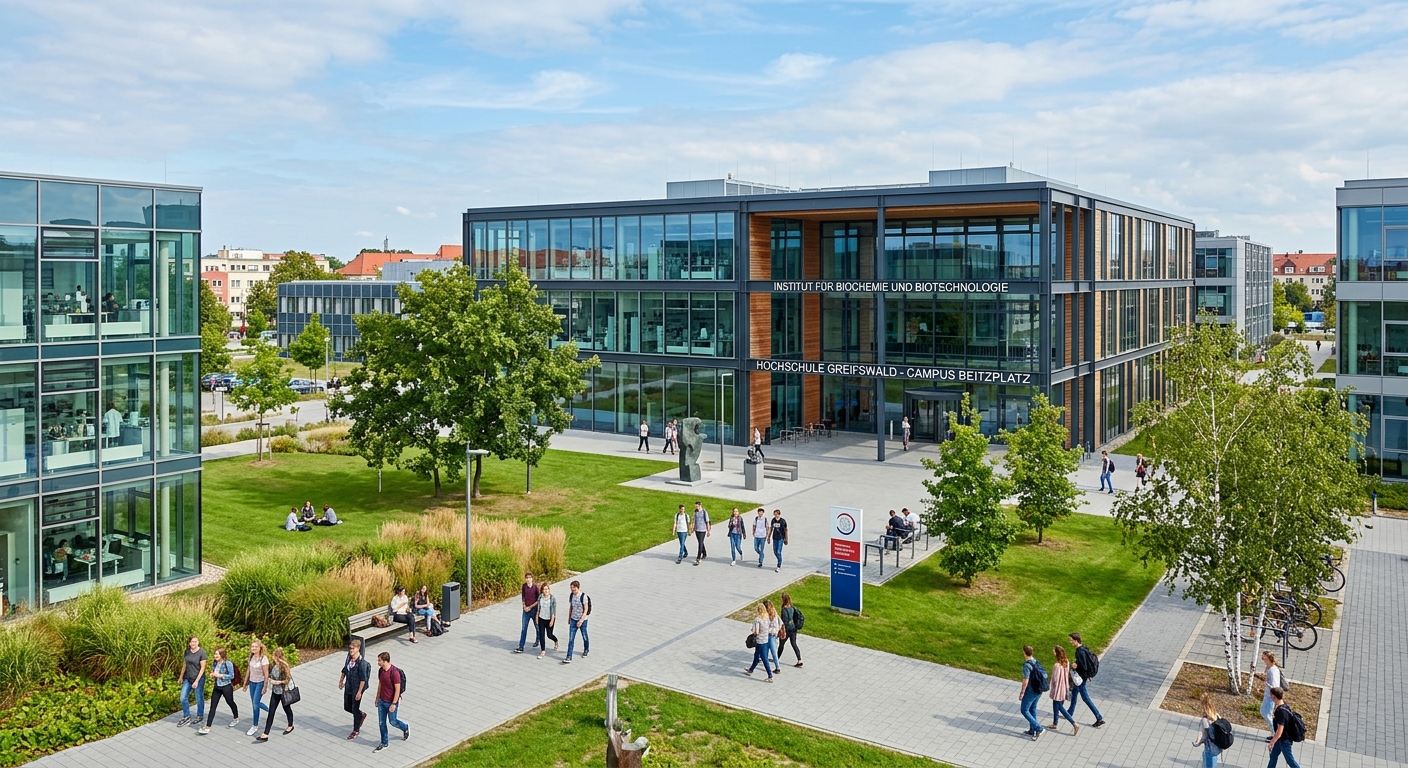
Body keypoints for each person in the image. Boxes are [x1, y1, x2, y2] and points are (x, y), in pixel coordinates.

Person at [1068, 633, 1107, 728]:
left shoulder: (1079, 652)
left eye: (1071, 640)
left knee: (1086, 698)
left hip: (1081, 679)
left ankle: (1099, 718)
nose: (1070, 642)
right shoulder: (1084, 648)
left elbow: (1083, 666)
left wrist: (1075, 666)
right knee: (1074, 693)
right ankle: (1069, 712)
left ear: (1076, 641)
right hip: (1083, 677)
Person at [373, 651, 409, 752]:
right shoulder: (381, 671)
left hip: (391, 702)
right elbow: (380, 685)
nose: (378, 662)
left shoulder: (394, 673)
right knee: (381, 723)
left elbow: (397, 689)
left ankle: (405, 727)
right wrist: (377, 698)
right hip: (381, 701)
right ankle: (384, 742)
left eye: (379, 661)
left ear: (385, 661)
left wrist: (393, 703)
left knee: (393, 721)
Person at [198, 647, 239, 734]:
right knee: (213, 706)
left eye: (217, 654)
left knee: (230, 702)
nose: (215, 656)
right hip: (217, 687)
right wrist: (212, 674)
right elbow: (214, 671)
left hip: (226, 687)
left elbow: (231, 676)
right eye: (215, 654)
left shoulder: (228, 663)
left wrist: (220, 675)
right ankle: (208, 727)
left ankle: (236, 718)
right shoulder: (215, 663)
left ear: (222, 655)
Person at [257, 647, 294, 740]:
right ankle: (266, 733)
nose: (272, 657)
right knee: (271, 712)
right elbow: (269, 675)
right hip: (275, 692)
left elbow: (287, 679)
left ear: (277, 656)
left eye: (274, 656)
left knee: (287, 708)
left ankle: (290, 725)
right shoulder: (273, 665)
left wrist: (277, 682)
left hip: (283, 692)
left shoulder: (284, 666)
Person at [338, 639, 371, 740]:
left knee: (355, 709)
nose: (351, 650)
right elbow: (344, 670)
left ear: (358, 649)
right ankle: (361, 715)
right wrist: (341, 681)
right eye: (350, 648)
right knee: (347, 707)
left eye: (353, 648)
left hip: (356, 689)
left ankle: (356, 730)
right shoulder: (349, 659)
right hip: (348, 687)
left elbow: (363, 679)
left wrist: (360, 692)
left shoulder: (361, 663)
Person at [177, 636, 208, 727]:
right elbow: (185, 664)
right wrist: (181, 676)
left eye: (195, 641)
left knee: (199, 698)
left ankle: (199, 715)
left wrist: (196, 681)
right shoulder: (187, 651)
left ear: (198, 642)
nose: (193, 643)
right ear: (189, 643)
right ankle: (186, 716)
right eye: (192, 642)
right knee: (183, 697)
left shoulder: (202, 652)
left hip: (198, 678)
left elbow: (202, 668)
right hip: (188, 678)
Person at [1267, 687, 1301, 768]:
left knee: (1290, 761)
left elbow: (1280, 731)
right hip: (1280, 740)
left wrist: (1272, 742)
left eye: (1271, 695)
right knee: (1273, 756)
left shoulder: (1281, 712)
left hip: (1284, 740)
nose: (1270, 696)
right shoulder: (1284, 706)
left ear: (1274, 696)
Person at [1018, 645, 1045, 740]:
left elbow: (1026, 680)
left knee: (1024, 710)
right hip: (1039, 689)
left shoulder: (1027, 665)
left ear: (1024, 653)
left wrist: (1022, 692)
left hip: (1031, 690)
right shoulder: (1036, 662)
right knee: (1032, 708)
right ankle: (1032, 730)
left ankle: (1039, 728)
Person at [1049, 645, 1077, 734]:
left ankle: (1074, 723)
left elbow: (1055, 680)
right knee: (1056, 704)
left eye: (1054, 651)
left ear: (1057, 653)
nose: (1052, 652)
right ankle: (1055, 723)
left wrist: (1052, 687)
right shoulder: (1067, 662)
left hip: (1058, 689)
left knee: (1059, 707)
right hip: (1064, 687)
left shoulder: (1057, 666)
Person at [245, 639, 270, 736]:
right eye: (252, 646)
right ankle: (256, 724)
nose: (254, 648)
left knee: (255, 703)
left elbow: (266, 674)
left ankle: (255, 725)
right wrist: (245, 683)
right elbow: (248, 670)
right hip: (252, 683)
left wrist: (265, 686)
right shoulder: (251, 657)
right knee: (254, 704)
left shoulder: (264, 659)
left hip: (260, 683)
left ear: (260, 648)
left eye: (256, 647)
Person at [744, 603, 775, 682]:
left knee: (764, 658)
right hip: (765, 640)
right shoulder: (766, 618)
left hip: (760, 641)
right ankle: (751, 670)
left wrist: (753, 632)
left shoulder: (757, 620)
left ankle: (770, 676)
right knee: (756, 656)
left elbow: (756, 632)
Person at [1192, 692, 1223, 767]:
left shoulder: (1205, 720)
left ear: (1203, 706)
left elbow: (1209, 735)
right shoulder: (1217, 715)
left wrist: (1198, 742)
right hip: (1217, 748)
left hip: (1210, 750)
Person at [563, 580, 591, 664]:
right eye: (571, 588)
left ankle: (586, 649)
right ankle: (569, 656)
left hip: (582, 620)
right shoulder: (571, 596)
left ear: (578, 588)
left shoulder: (583, 597)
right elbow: (571, 607)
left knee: (584, 636)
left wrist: (581, 621)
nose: (572, 590)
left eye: (574, 588)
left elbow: (586, 609)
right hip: (573, 619)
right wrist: (569, 618)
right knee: (571, 639)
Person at [514, 572, 540, 653]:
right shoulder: (524, 586)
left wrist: (530, 607)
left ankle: (538, 639)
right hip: (526, 611)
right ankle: (521, 646)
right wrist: (524, 606)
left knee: (537, 627)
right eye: (526, 578)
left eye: (529, 578)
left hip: (534, 610)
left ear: (532, 578)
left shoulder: (535, 587)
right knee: (524, 628)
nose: (528, 579)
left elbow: (538, 600)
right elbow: (523, 597)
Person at [1260, 650, 1284, 734]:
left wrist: (1265, 682)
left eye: (1264, 658)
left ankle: (1274, 732)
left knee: (1266, 714)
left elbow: (1274, 685)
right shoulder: (1271, 668)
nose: (1263, 660)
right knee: (1264, 712)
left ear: (1269, 659)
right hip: (1269, 694)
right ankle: (1274, 731)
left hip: (1270, 696)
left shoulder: (1272, 671)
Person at [779, 592, 803, 667]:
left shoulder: (784, 609)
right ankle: (799, 659)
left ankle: (777, 658)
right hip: (793, 629)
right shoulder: (792, 608)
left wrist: (782, 630)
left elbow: (784, 621)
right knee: (794, 644)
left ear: (783, 600)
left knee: (781, 644)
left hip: (787, 630)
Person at [535, 582, 558, 659]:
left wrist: (552, 620)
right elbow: (538, 608)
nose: (546, 590)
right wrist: (537, 617)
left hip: (549, 619)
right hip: (541, 618)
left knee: (549, 635)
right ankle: (543, 650)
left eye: (547, 589)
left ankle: (555, 640)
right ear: (542, 590)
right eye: (544, 589)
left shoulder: (552, 599)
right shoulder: (540, 597)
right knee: (541, 635)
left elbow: (554, 611)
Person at [692, 501, 711, 565]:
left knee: (700, 543)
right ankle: (704, 553)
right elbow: (694, 521)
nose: (696, 507)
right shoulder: (695, 512)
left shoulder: (704, 512)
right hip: (697, 530)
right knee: (701, 542)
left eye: (697, 506)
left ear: (700, 505)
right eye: (695, 506)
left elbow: (707, 522)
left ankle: (698, 558)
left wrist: (708, 531)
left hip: (702, 530)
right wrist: (693, 528)